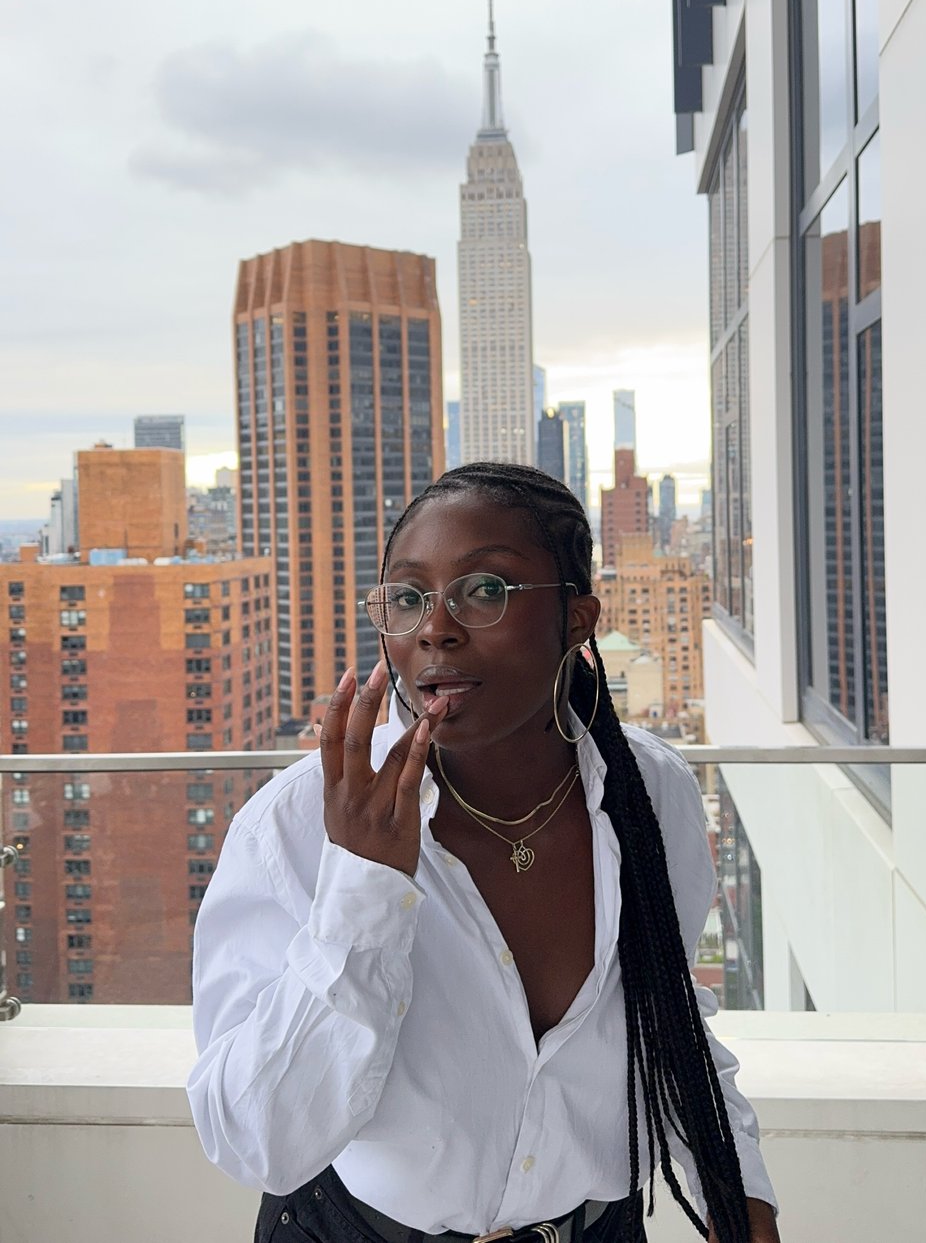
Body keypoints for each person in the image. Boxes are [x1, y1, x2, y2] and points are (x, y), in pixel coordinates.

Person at [188, 463, 780, 1243]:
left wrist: (740, 1201)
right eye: (408, 597)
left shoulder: (651, 794)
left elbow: (669, 1016)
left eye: (485, 590)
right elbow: (255, 1138)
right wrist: (362, 891)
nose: (436, 627)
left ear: (577, 617)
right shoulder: (292, 828)